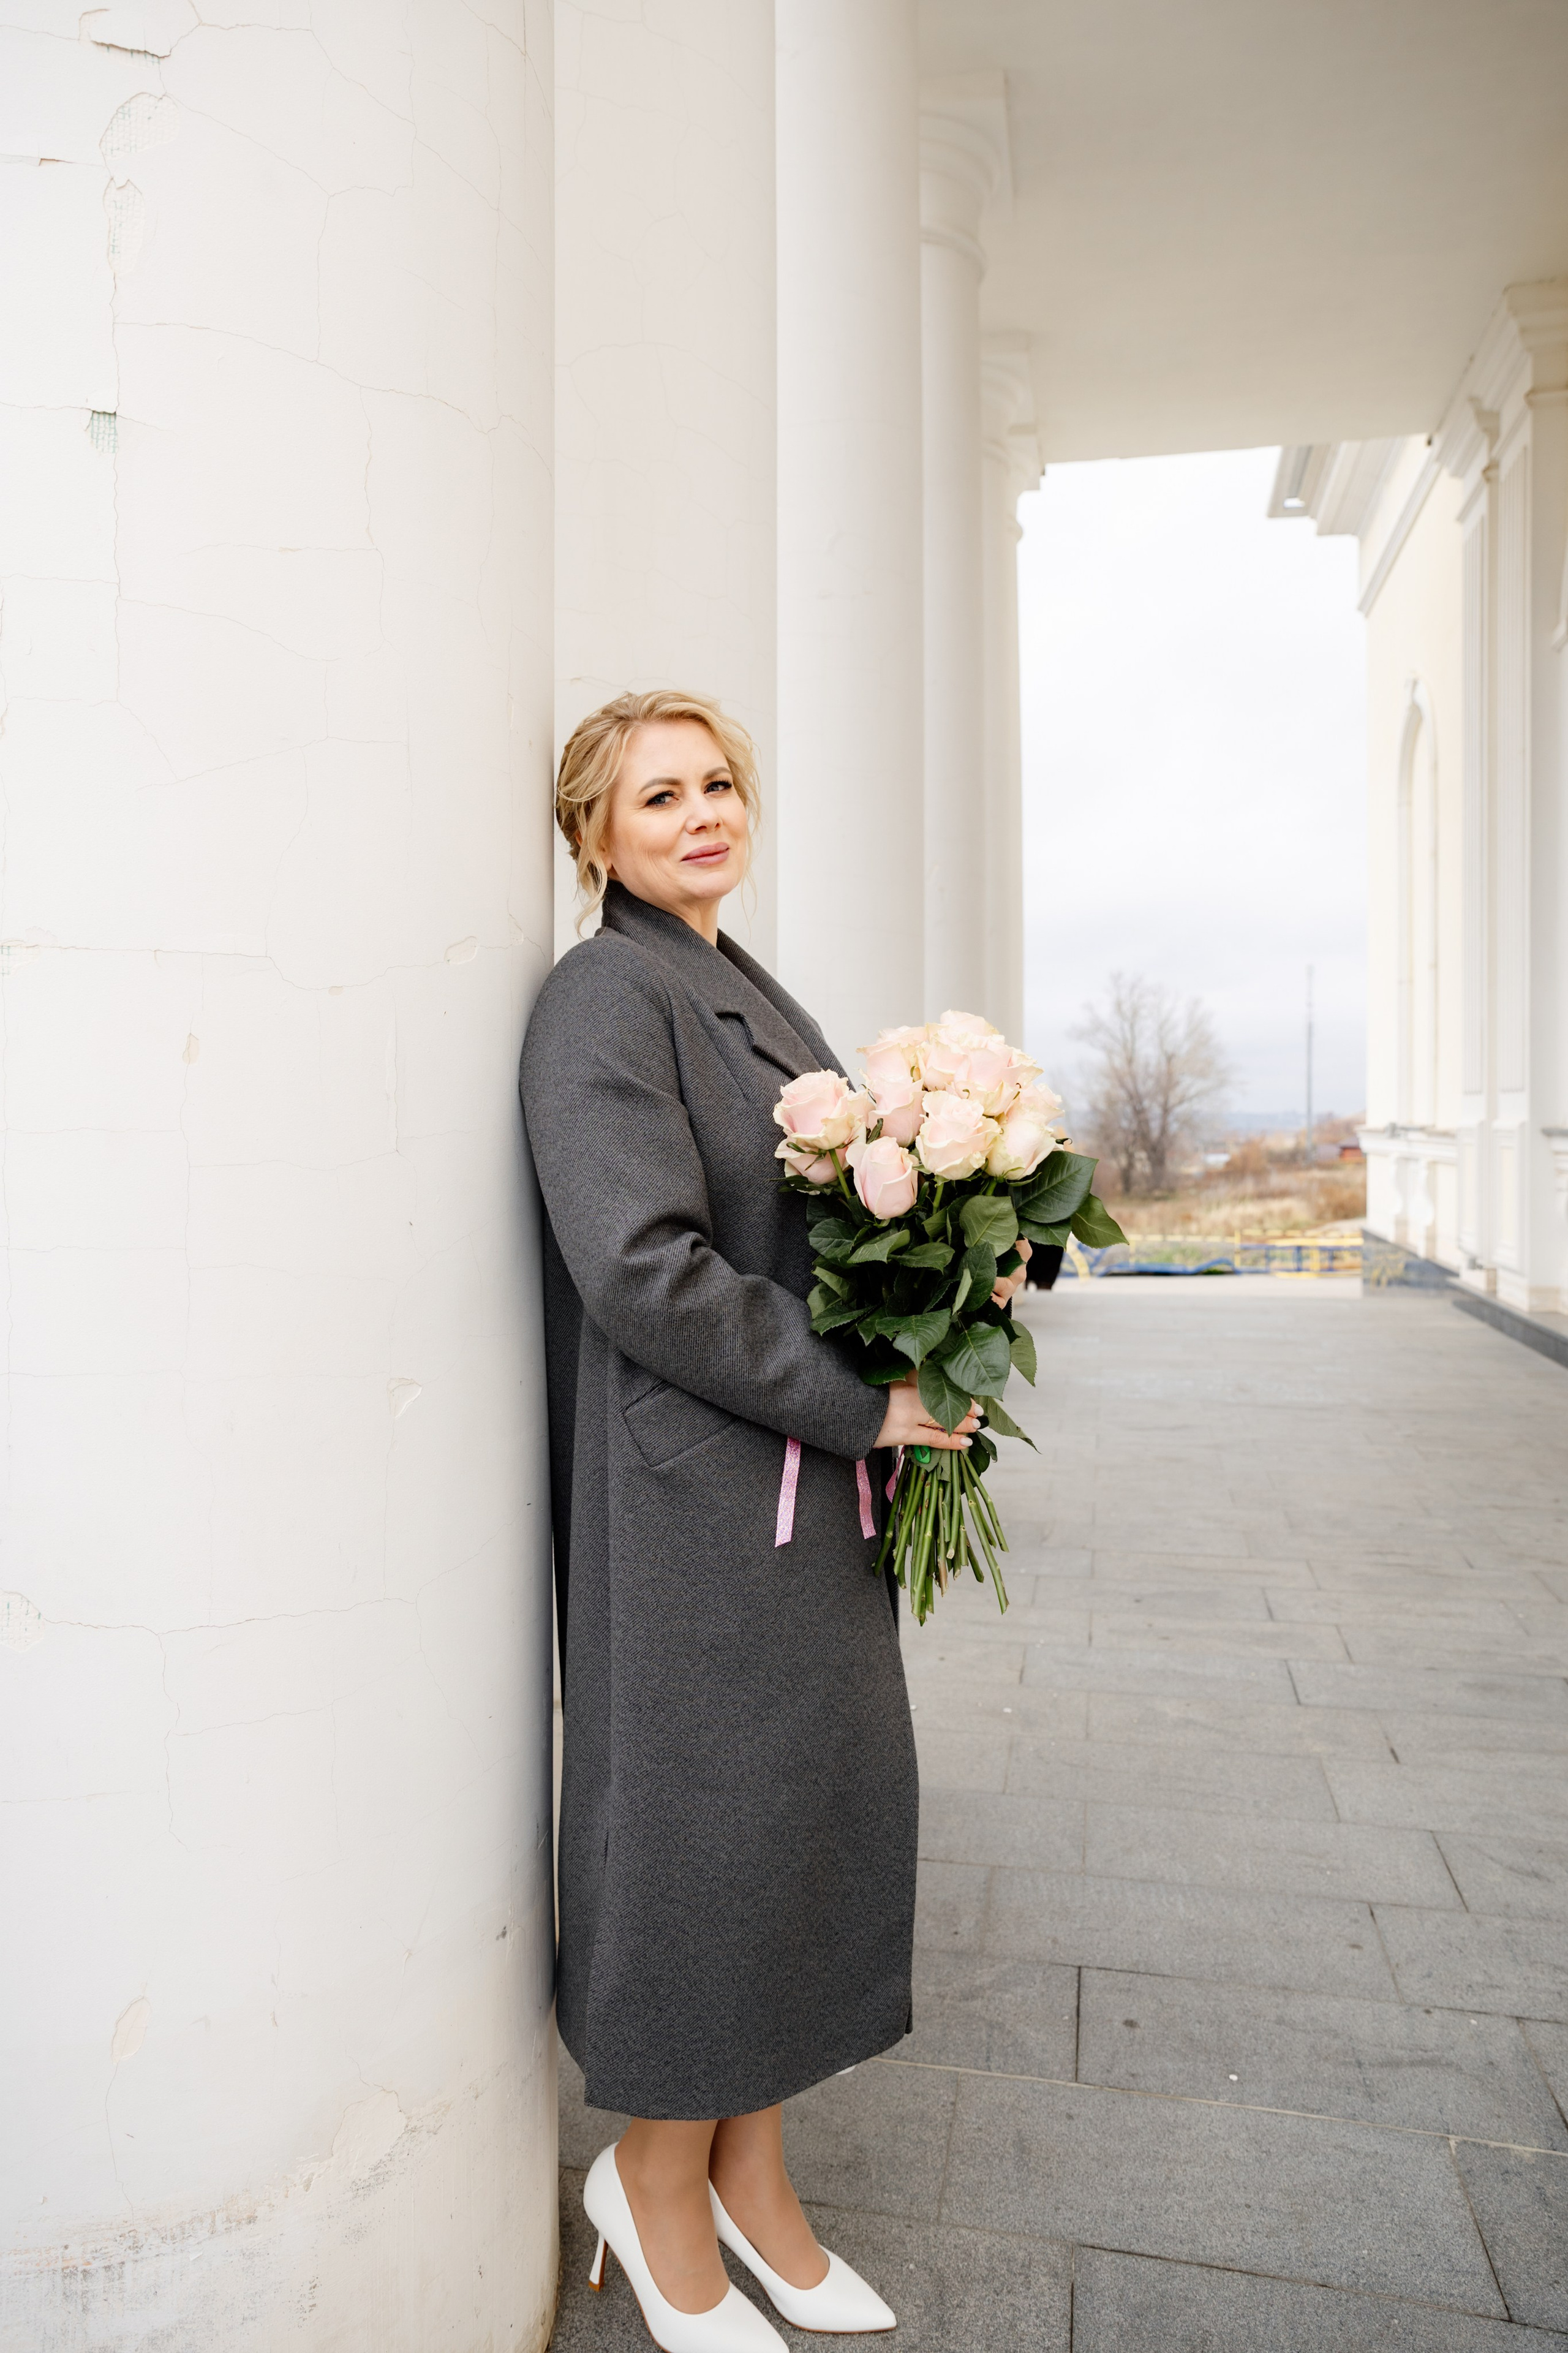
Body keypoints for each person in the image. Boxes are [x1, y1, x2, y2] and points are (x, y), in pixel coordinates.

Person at [521, 689, 1027, 2351]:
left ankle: (757, 2176)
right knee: (706, 1834)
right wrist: (861, 1393)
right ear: (593, 833)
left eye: (719, 781)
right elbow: (641, 1266)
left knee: (805, 1812)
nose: (700, 813)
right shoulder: (607, 992)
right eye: (656, 795)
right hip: (700, 1498)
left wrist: (956, 1277)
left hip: (801, 1492)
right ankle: (649, 2176)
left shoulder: (738, 981)